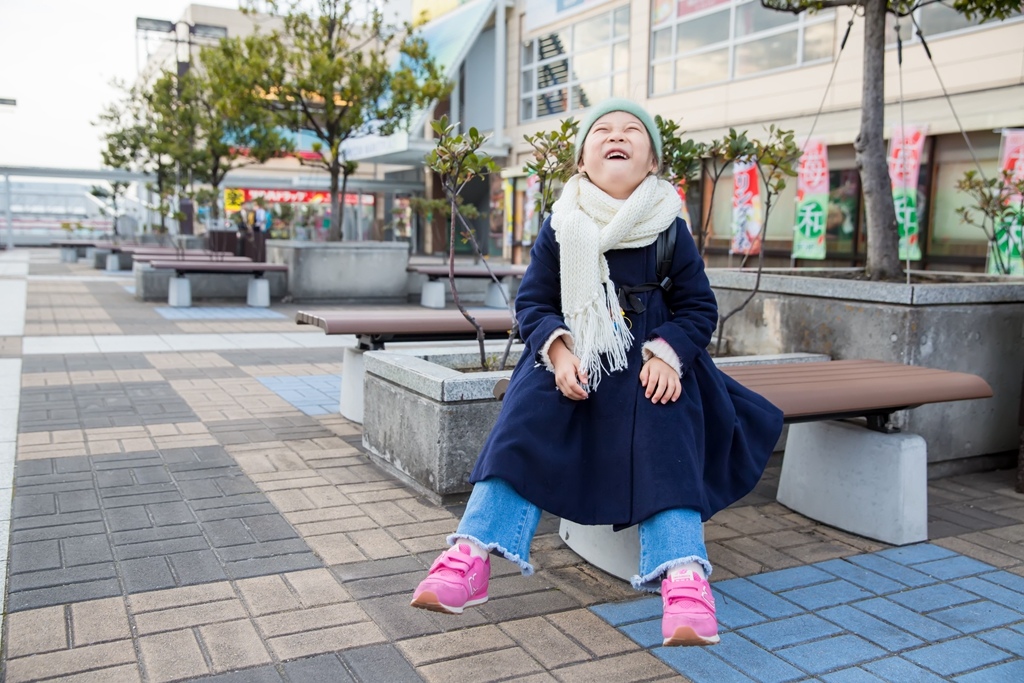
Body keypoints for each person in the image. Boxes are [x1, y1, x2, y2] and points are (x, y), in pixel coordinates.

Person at [410, 98, 784, 647]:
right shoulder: (563, 224)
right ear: (583, 161)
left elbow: (699, 309)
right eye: (602, 130)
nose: (617, 135)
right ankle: (471, 552)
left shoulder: (669, 228)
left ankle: (682, 574)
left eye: (632, 131)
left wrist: (668, 354)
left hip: (649, 361)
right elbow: (534, 303)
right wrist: (558, 352)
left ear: (651, 161)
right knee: (527, 414)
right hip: (580, 356)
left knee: (667, 420)